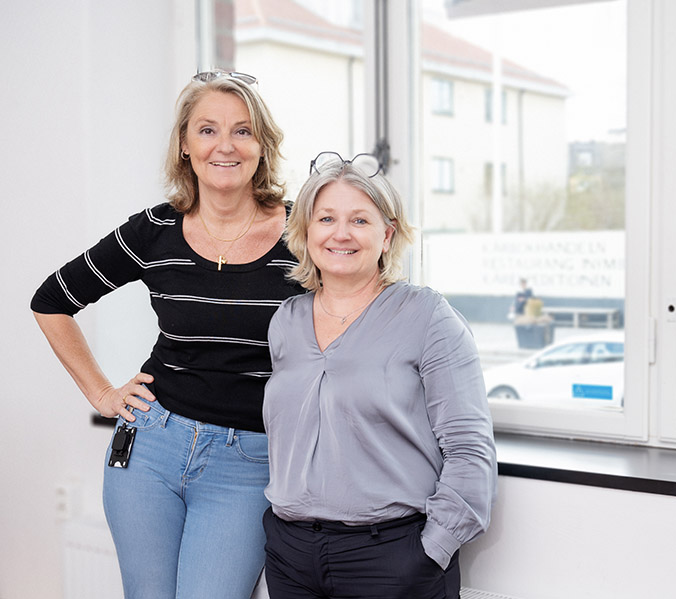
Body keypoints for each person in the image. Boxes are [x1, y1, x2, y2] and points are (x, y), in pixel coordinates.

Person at [31, 70, 304, 599]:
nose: (224, 145)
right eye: (207, 130)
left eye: (243, 131)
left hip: (248, 461)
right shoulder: (154, 230)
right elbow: (51, 301)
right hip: (149, 449)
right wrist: (102, 392)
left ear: (263, 145)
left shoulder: (302, 233)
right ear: (184, 144)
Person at [262, 151, 497, 599]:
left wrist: (432, 550)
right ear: (306, 232)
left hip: (391, 558)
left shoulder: (428, 317)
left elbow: (470, 448)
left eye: (360, 220)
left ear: (387, 235)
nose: (341, 234)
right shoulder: (286, 321)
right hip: (292, 555)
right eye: (326, 218)